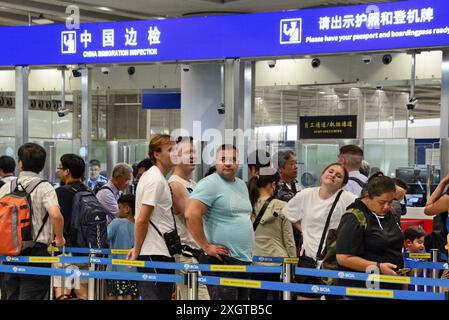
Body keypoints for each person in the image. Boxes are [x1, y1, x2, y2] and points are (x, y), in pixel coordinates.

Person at [185, 144, 253, 300]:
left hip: (242, 260)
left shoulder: (241, 184)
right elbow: (191, 214)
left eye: (233, 159)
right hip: (221, 260)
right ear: (215, 162)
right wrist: (206, 246)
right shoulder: (210, 183)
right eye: (223, 159)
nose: (228, 163)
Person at [0, 143, 65, 300]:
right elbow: (55, 215)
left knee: (10, 295)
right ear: (41, 165)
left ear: (20, 163)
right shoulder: (45, 188)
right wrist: (59, 238)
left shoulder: (6, 187)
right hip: (37, 252)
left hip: (9, 251)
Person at [283, 162, 356, 300]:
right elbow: (289, 213)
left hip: (333, 261)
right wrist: (304, 230)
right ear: (323, 174)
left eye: (338, 175)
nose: (333, 175)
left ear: (342, 183)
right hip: (308, 259)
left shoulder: (348, 198)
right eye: (330, 171)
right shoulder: (306, 194)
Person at [336, 176, 404, 297]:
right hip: (363, 287)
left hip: (392, 285)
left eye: (391, 201)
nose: (387, 207)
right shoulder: (353, 217)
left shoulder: (391, 214)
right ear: (367, 196)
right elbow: (343, 257)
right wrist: (378, 267)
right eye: (382, 202)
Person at [128, 134, 177, 300]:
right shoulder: (155, 179)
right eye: (170, 150)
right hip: (155, 252)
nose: (175, 153)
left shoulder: (155, 177)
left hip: (158, 251)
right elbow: (142, 219)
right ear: (156, 154)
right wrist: (137, 249)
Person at [168, 136, 209, 300]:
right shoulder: (174, 184)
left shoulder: (194, 184)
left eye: (194, 152)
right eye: (187, 152)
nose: (193, 156)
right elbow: (192, 216)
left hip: (199, 253)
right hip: (187, 255)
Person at [247, 167, 296, 300]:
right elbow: (289, 240)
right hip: (279, 264)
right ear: (273, 184)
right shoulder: (281, 206)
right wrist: (293, 265)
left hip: (254, 262)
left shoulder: (247, 205)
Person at [53, 154, 89, 300]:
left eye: (60, 168)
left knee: (62, 289)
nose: (60, 172)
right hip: (85, 248)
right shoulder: (88, 191)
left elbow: (55, 217)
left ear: (67, 171)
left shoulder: (60, 193)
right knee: (82, 291)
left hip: (65, 249)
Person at [106, 194, 139, 300]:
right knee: (129, 296)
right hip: (133, 270)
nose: (117, 210)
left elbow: (105, 238)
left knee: (111, 295)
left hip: (114, 269)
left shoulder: (116, 223)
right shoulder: (139, 225)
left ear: (127, 209)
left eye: (119, 207)